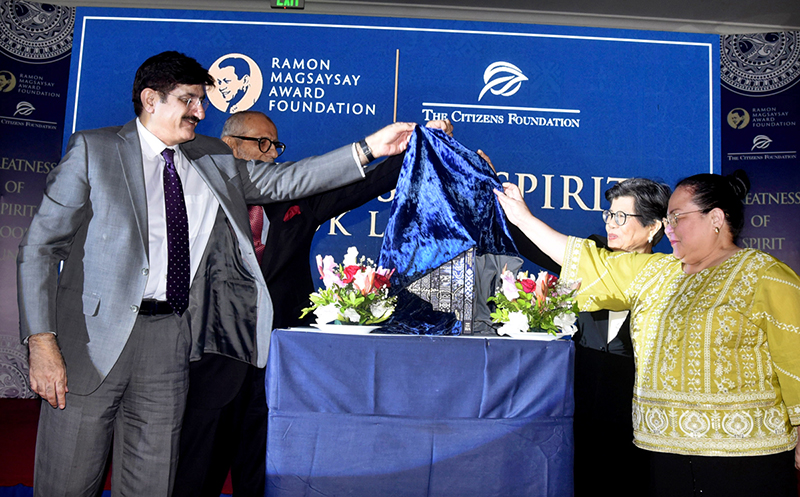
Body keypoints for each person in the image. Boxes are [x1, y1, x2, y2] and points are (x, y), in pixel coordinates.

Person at [16, 50, 416, 497]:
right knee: (69, 478)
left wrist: (371, 148)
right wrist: (42, 341)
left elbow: (290, 180)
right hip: (90, 340)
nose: (201, 112)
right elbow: (38, 248)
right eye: (189, 100)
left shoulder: (212, 157)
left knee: (152, 482)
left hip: (170, 342)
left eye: (202, 101)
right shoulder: (95, 150)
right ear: (151, 99)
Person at [173, 110, 453, 497]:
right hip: (213, 365)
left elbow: (363, 183)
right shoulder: (199, 194)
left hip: (279, 368)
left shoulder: (296, 198)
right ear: (230, 145)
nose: (272, 153)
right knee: (194, 476)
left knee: (262, 479)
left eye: (276, 145)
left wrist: (418, 148)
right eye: (262, 144)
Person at [495, 170, 800, 496]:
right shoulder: (655, 272)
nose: (669, 227)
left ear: (716, 218)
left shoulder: (765, 275)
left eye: (678, 217)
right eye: (667, 218)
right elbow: (586, 260)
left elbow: (794, 355)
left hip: (746, 459)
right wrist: (523, 218)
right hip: (661, 456)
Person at [507, 177, 669, 496]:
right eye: (609, 215)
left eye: (622, 217)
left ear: (654, 227)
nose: (612, 224)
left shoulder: (666, 271)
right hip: (581, 400)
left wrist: (523, 214)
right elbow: (532, 246)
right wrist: (503, 203)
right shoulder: (591, 259)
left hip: (636, 408)